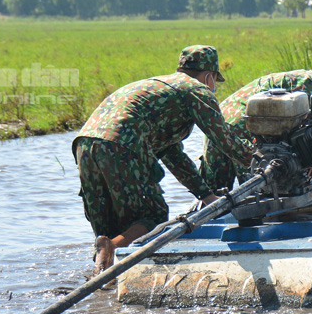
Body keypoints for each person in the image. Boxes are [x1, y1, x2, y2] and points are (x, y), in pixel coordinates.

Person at [72, 45, 254, 271]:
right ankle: (112, 248)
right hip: (122, 143)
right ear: (209, 77)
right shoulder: (197, 90)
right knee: (152, 215)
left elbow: (173, 156)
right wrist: (258, 157)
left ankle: (104, 268)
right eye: (215, 80)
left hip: (85, 142)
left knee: (114, 225)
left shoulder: (161, 86)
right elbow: (226, 142)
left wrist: (206, 195)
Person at [200, 52, 312, 189]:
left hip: (217, 125)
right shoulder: (310, 88)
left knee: (215, 194)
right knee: (257, 189)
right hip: (245, 130)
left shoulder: (298, 77)